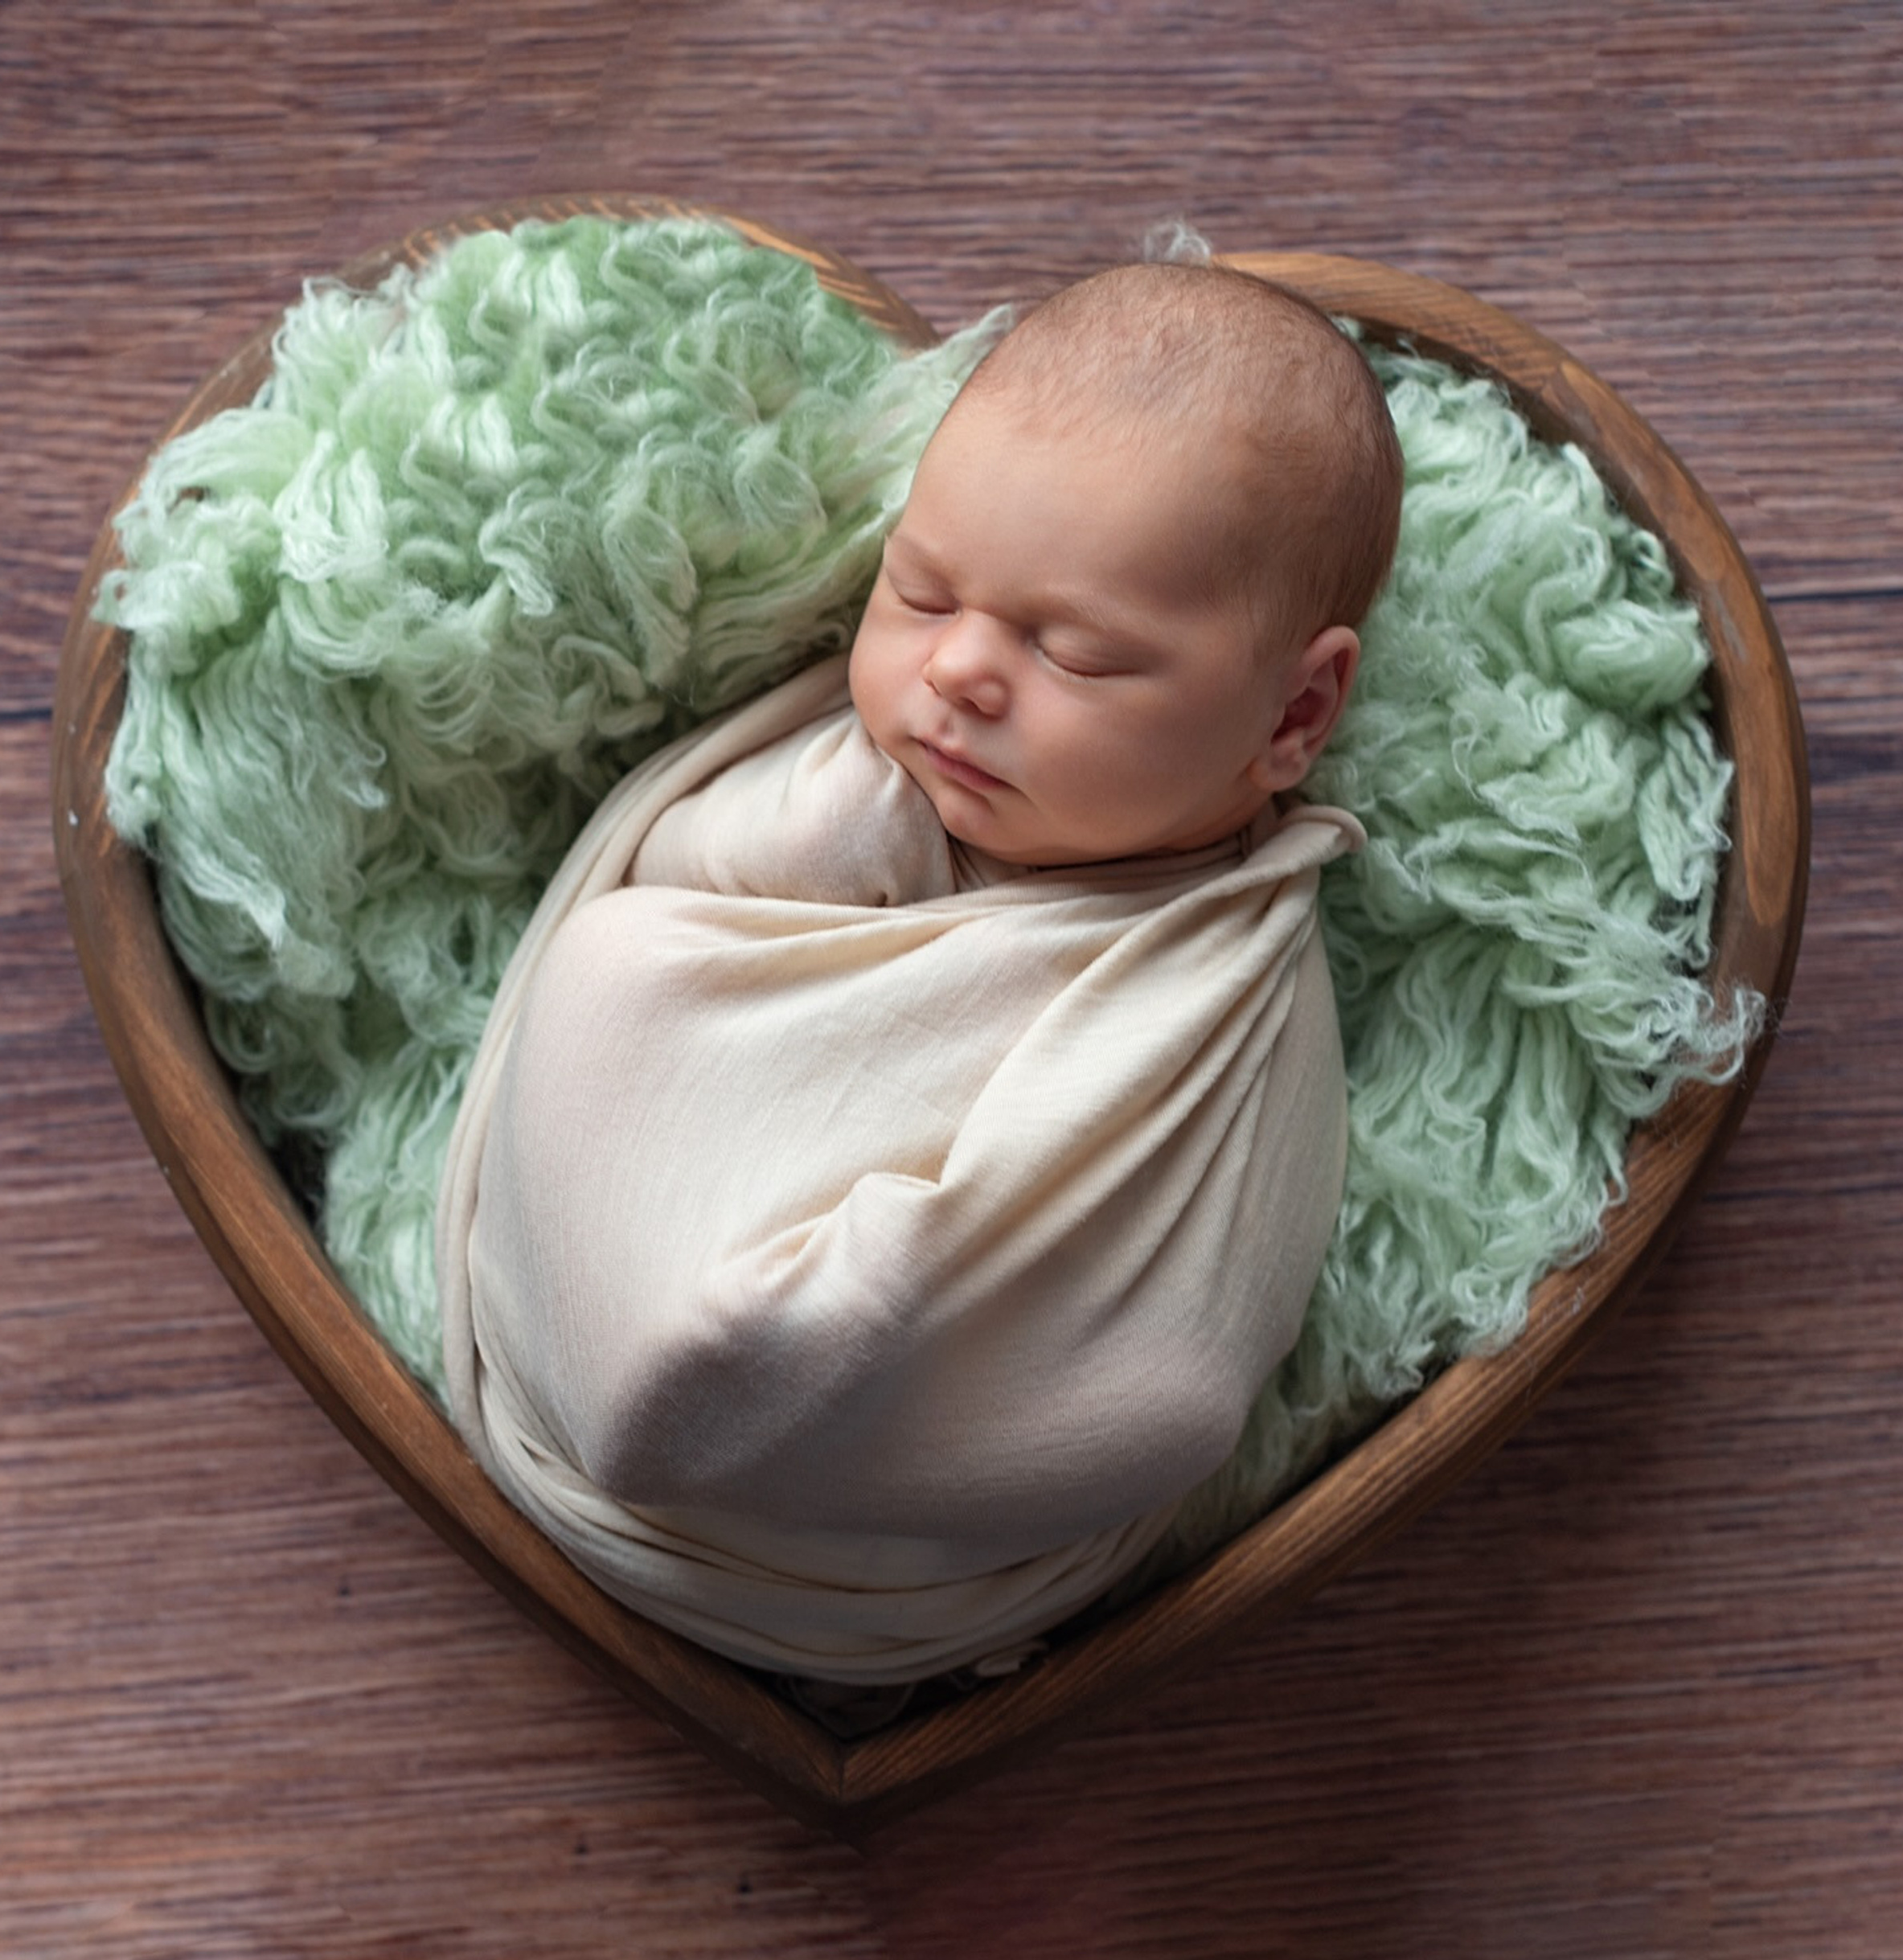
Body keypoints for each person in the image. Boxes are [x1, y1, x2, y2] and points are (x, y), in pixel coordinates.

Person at [437, 260, 1404, 1686]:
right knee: (618, 962)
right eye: (922, 589)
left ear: (1297, 710)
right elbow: (672, 910)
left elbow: (1179, 1353)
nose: (956, 672)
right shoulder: (855, 786)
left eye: (1074, 653)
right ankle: (660, 1366)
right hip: (652, 1229)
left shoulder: (1230, 998)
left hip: (889, 1544)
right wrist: (833, 835)